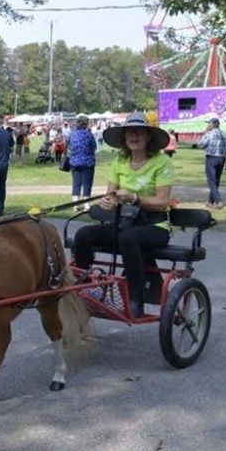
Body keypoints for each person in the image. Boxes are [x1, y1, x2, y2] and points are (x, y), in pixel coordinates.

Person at [73, 112, 173, 318]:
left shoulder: (162, 162)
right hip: (124, 223)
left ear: (148, 137)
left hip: (155, 227)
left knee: (127, 238)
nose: (133, 136)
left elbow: (163, 203)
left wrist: (135, 198)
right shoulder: (119, 162)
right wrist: (108, 201)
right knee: (83, 234)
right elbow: (111, 196)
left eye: (138, 132)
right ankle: (85, 286)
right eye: (129, 132)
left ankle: (136, 299)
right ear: (124, 139)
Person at [194, 116, 226, 209]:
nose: (208, 125)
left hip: (211, 158)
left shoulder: (210, 134)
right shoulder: (225, 135)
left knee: (211, 181)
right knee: (216, 180)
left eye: (209, 123)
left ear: (213, 124)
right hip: (221, 159)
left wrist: (204, 132)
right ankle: (210, 201)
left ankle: (218, 201)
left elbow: (200, 144)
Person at [67, 114, 97, 211]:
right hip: (87, 162)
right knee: (87, 184)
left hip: (74, 162)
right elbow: (94, 147)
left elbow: (68, 146)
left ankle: (75, 205)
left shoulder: (72, 134)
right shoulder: (89, 135)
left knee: (76, 183)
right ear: (86, 124)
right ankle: (86, 205)